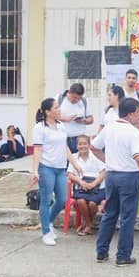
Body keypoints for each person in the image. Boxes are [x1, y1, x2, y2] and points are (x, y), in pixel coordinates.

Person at [91, 97, 139, 267]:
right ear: (130, 114)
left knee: (110, 214)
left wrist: (108, 160)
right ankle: (123, 255)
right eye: (137, 114)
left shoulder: (109, 128)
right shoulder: (132, 132)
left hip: (112, 175)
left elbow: (94, 147)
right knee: (127, 217)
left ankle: (102, 252)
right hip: (128, 176)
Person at [30, 98, 83, 246]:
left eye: (58, 107)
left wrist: (75, 164)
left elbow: (65, 148)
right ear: (47, 112)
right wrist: (35, 171)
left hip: (61, 168)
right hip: (46, 167)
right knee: (46, 200)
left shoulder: (61, 127)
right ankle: (46, 232)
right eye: (56, 107)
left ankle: (48, 222)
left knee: (62, 199)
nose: (59, 109)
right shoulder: (40, 128)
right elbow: (37, 150)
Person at [67, 135, 106, 236]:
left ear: (89, 145)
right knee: (81, 201)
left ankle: (86, 223)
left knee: (92, 204)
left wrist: (93, 184)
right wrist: (80, 182)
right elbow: (70, 174)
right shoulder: (74, 157)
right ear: (76, 146)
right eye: (80, 144)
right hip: (81, 186)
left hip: (97, 186)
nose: (82, 146)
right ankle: (89, 225)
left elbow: (103, 172)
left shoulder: (95, 156)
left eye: (85, 143)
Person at [57, 83, 94, 153]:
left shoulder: (84, 101)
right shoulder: (59, 99)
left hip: (79, 140)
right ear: (69, 92)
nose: (76, 100)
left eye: (79, 98)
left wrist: (84, 120)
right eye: (74, 97)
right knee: (64, 162)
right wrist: (64, 119)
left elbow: (91, 119)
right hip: (63, 138)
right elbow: (50, 117)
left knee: (78, 162)